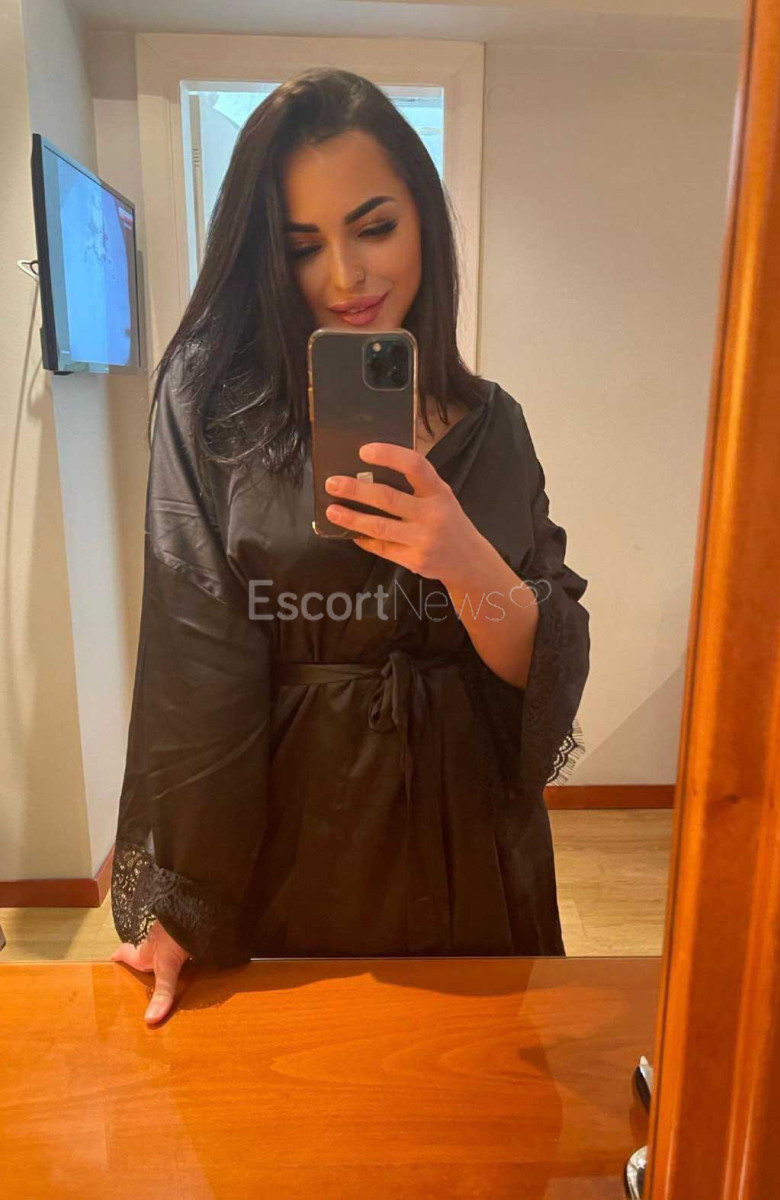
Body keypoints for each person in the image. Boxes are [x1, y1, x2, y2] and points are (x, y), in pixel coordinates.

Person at [109, 67, 591, 1024]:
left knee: (477, 1098)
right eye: (302, 247)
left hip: (469, 848)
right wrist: (184, 899)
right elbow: (195, 659)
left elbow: (543, 664)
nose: (345, 276)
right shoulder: (215, 413)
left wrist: (461, 558)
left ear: (425, 223)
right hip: (295, 839)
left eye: (374, 228)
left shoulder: (496, 425)